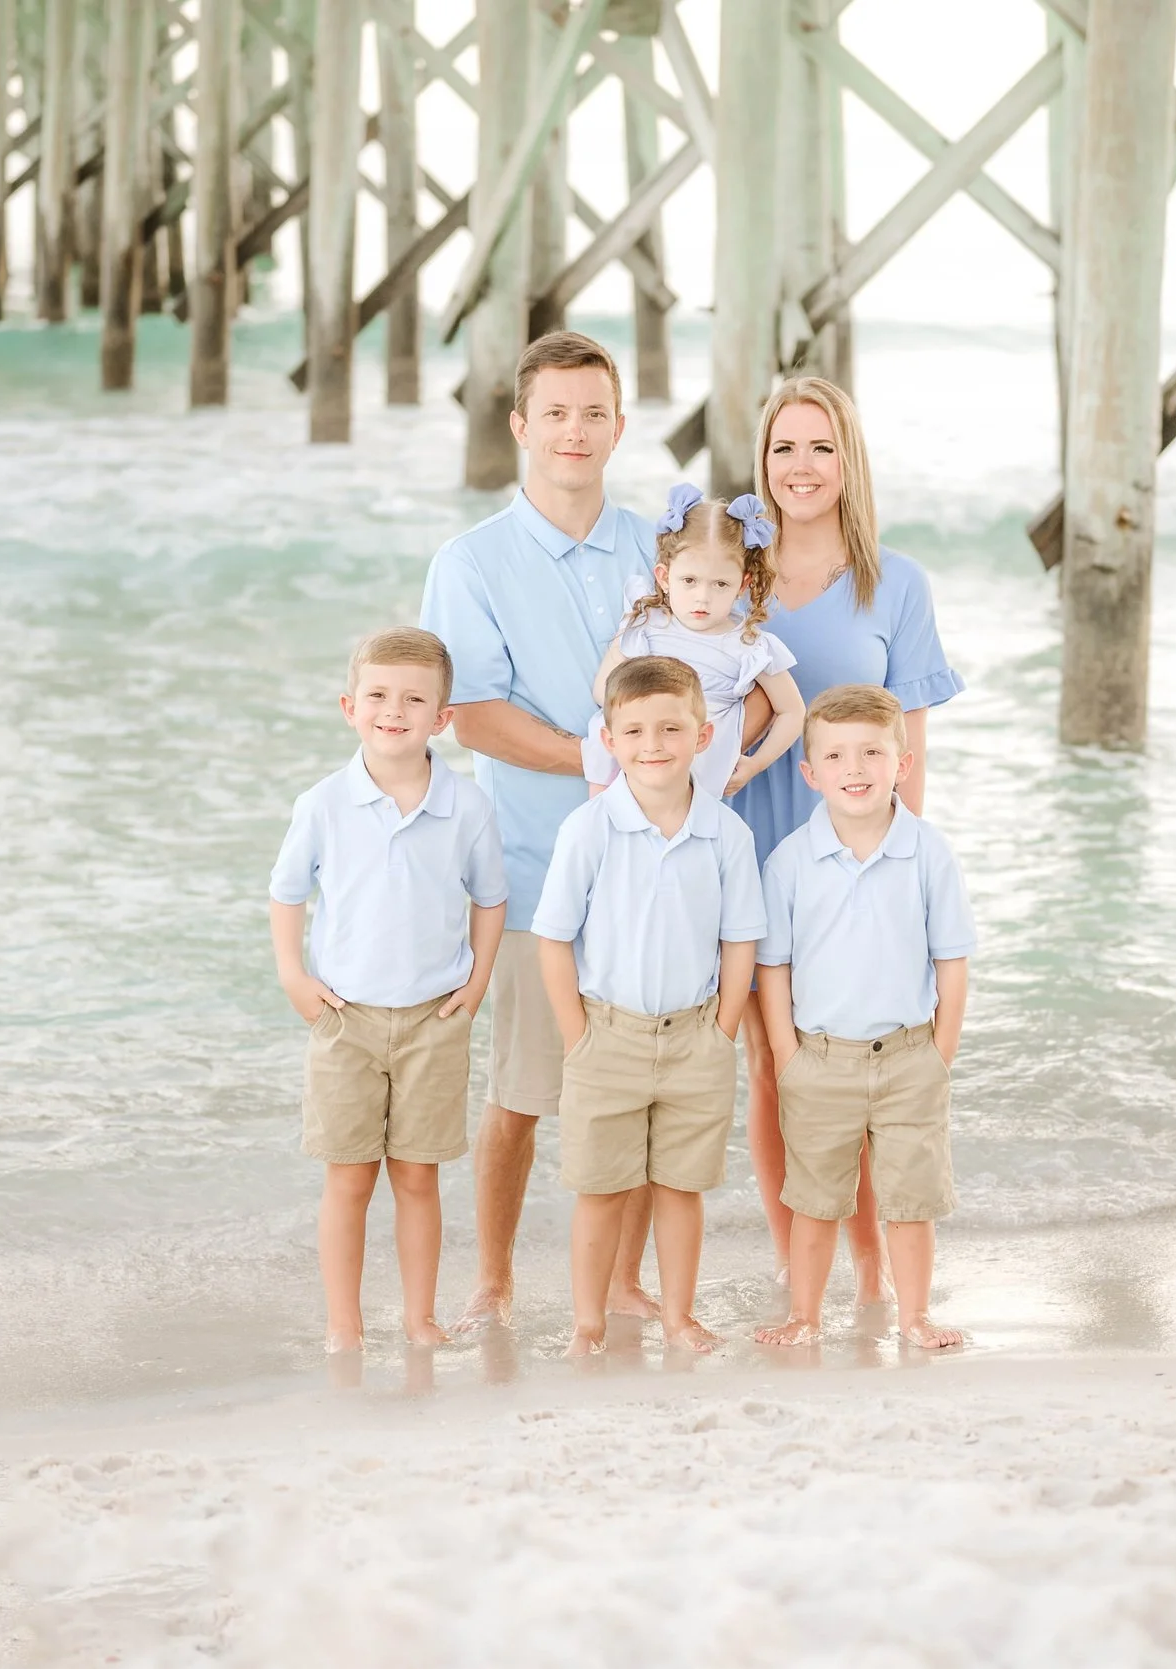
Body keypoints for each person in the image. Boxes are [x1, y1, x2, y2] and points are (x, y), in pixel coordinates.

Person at [417, 331, 663, 1331]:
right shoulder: (471, 562)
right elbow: (472, 716)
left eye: (593, 413)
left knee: (641, 1090)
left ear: (618, 426)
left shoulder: (657, 549)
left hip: (657, 869)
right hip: (534, 869)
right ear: (520, 426)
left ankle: (624, 1282)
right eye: (555, 413)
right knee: (520, 1093)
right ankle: (494, 1281)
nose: (575, 431)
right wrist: (600, 762)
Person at [729, 376, 965, 1293]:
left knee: (868, 1064)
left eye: (821, 447)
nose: (802, 466)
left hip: (863, 860)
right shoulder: (733, 577)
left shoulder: (895, 584)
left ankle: (871, 1270)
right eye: (784, 447)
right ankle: (796, 1263)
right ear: (763, 462)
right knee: (774, 1064)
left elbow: (911, 747)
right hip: (747, 848)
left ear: (849, 461)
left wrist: (906, 873)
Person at [268, 629, 508, 1352]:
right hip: (346, 1019)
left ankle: (419, 1318)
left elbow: (490, 897)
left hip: (435, 1018)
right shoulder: (323, 804)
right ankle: (344, 1323)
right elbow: (287, 892)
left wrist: (477, 982)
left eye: (413, 699)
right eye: (376, 695)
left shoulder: (467, 806)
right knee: (348, 1180)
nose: (393, 710)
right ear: (350, 707)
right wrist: (293, 975)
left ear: (443, 717)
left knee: (416, 1177)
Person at [532, 657, 765, 1355]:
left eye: (671, 728)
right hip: (607, 1034)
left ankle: (678, 1317)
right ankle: (588, 1324)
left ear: (703, 735)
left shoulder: (727, 833)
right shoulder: (589, 828)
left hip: (697, 1036)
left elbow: (740, 940)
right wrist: (578, 1036)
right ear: (608, 740)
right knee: (600, 1189)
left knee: (681, 1188)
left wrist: (723, 1030)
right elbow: (553, 939)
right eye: (633, 731)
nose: (653, 744)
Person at [751, 686, 971, 1351]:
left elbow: (952, 960)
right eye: (836, 755)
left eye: (872, 752)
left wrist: (940, 1052)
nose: (855, 768)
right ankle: (805, 1316)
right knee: (814, 1199)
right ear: (810, 772)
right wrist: (787, 1056)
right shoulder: (790, 861)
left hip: (910, 1057)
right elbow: (773, 968)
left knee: (911, 1200)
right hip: (819, 1060)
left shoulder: (928, 851)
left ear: (902, 764)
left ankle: (914, 1316)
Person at [580, 483, 807, 802]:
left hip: (696, 773)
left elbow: (792, 711)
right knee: (601, 729)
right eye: (689, 580)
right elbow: (602, 690)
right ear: (664, 576)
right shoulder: (648, 623)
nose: (703, 597)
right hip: (638, 752)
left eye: (720, 584)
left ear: (742, 585)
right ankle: (602, 812)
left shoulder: (748, 645)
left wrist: (756, 763)